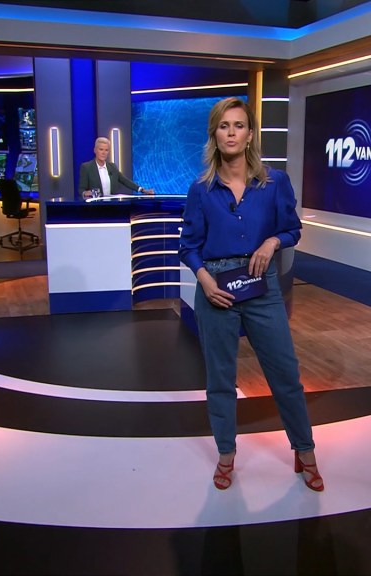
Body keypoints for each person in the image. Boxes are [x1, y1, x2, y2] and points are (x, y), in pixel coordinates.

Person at [178, 97, 323, 492]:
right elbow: (188, 246)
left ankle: (305, 450)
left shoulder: (275, 183)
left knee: (285, 373)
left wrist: (272, 242)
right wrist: (204, 280)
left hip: (262, 287)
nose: (231, 133)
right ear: (214, 134)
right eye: (224, 126)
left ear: (250, 134)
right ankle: (226, 454)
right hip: (216, 289)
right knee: (220, 378)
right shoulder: (201, 189)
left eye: (238, 125)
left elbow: (292, 229)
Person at [78, 137, 154, 198]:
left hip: (112, 205)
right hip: (95, 207)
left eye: (106, 150)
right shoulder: (86, 167)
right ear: (95, 150)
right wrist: (85, 193)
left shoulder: (112, 167)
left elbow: (125, 181)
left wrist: (142, 190)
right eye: (101, 149)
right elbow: (81, 189)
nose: (103, 153)